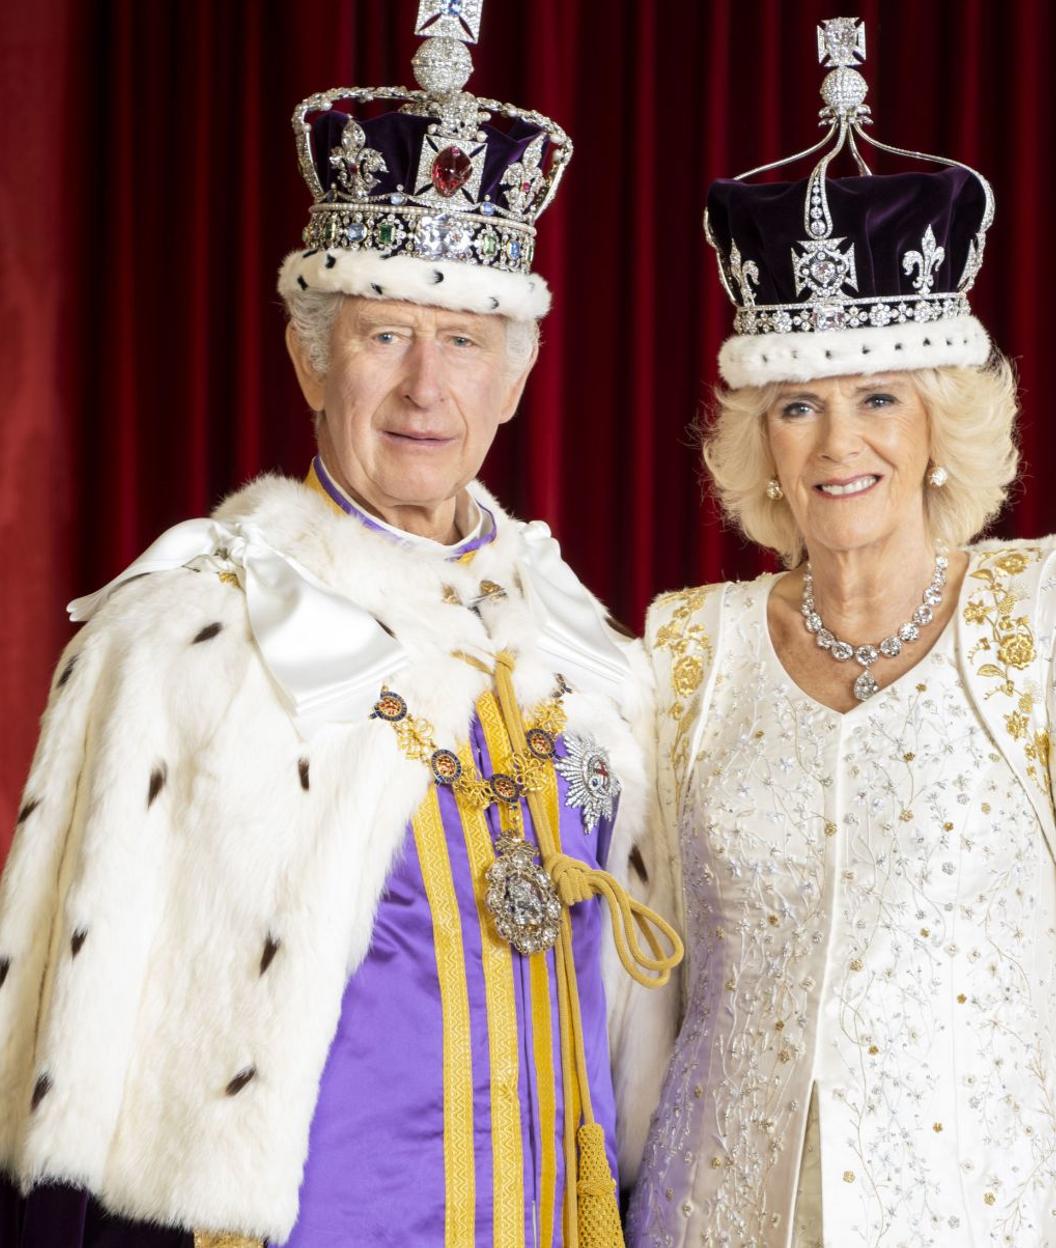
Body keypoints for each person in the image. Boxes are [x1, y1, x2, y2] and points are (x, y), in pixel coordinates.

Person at [0, 5, 679, 1246]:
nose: (428, 387)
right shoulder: (192, 633)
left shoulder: (590, 652)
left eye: (465, 342)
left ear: (516, 376)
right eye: (385, 336)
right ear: (312, 358)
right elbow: (73, 1077)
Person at [626, 18, 1056, 1248]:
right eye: (797, 405)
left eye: (878, 399)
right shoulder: (683, 654)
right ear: (760, 443)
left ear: (938, 422)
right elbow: (638, 998)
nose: (839, 444)